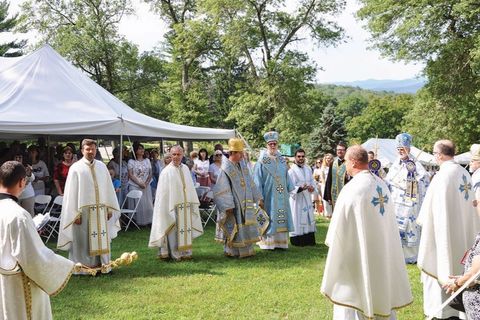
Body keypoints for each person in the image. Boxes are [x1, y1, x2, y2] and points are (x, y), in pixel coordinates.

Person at [321, 145, 412, 319]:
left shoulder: (352, 189)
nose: (345, 165)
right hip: (382, 252)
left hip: (356, 254)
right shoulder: (381, 184)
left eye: (346, 161)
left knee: (356, 297)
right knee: (380, 288)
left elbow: (337, 232)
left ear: (354, 162)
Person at [0, 161, 74, 319]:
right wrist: (66, 266)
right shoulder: (18, 216)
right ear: (22, 182)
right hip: (17, 285)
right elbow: (33, 257)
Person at [417, 139, 480, 319]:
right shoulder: (464, 173)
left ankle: (443, 311)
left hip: (443, 236)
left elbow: (425, 216)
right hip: (466, 234)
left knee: (441, 264)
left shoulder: (441, 177)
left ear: (438, 155)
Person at [57, 139, 120, 275]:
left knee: (102, 238)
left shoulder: (102, 167)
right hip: (83, 213)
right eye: (88, 149)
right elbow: (71, 194)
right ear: (82, 150)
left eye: (93, 149)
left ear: (96, 150)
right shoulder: (76, 168)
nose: (91, 152)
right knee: (83, 241)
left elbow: (108, 189)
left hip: (101, 211)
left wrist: (109, 209)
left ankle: (104, 265)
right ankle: (84, 269)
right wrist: (75, 214)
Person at [149, 145, 203, 261]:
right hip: (171, 206)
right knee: (173, 231)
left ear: (182, 155)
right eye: (174, 154)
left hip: (185, 205)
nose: (176, 157)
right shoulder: (166, 172)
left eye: (179, 154)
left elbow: (189, 186)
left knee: (185, 229)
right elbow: (163, 194)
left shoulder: (185, 169)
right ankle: (175, 254)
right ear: (170, 155)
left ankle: (186, 252)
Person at [213, 138, 262, 258]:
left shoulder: (242, 165)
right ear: (233, 153)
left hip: (246, 202)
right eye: (240, 153)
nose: (242, 155)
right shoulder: (225, 169)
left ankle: (247, 250)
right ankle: (232, 251)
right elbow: (222, 189)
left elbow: (250, 182)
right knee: (235, 226)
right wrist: (227, 205)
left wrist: (258, 198)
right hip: (234, 204)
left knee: (246, 225)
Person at [385, 133, 427, 264]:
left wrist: (408, 184)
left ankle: (411, 256)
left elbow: (423, 180)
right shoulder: (395, 164)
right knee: (396, 227)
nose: (400, 151)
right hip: (396, 202)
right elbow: (389, 179)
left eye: (402, 149)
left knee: (410, 227)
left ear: (409, 149)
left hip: (410, 203)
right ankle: (398, 254)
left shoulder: (416, 164)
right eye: (398, 149)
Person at [253, 130, 294, 250]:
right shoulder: (261, 161)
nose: (273, 145)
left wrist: (290, 188)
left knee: (281, 216)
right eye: (270, 143)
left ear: (277, 144)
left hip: (282, 194)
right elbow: (257, 179)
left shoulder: (282, 159)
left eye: (274, 143)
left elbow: (286, 175)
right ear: (267, 145)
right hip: (268, 195)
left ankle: (281, 243)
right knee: (269, 217)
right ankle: (268, 243)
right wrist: (259, 197)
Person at [288, 148, 317, 246]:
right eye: (299, 156)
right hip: (298, 199)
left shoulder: (308, 168)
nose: (301, 158)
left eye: (302, 156)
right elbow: (290, 186)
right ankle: (298, 240)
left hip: (307, 197)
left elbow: (312, 181)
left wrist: (312, 187)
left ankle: (309, 239)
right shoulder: (291, 171)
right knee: (297, 217)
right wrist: (299, 188)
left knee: (308, 217)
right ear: (295, 158)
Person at [127, 143, 154, 226]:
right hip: (135, 185)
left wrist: (145, 183)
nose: (142, 150)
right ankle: (135, 221)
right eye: (139, 149)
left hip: (146, 185)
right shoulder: (131, 161)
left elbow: (150, 173)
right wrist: (139, 183)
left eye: (143, 148)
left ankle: (148, 221)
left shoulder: (147, 160)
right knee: (137, 203)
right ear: (135, 151)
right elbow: (130, 174)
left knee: (147, 203)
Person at [323, 142, 352, 209]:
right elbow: (329, 180)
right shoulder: (332, 163)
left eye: (342, 150)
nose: (339, 151)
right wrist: (328, 196)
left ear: (345, 151)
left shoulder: (350, 163)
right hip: (334, 195)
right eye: (338, 149)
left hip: (347, 194)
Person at [14, 153, 36, 217]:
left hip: (27, 196)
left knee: (29, 216)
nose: (18, 159)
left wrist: (29, 174)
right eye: (16, 157)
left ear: (23, 159)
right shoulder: (9, 168)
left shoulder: (26, 167)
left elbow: (32, 179)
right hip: (15, 196)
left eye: (20, 157)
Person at [320, 153, 334, 218]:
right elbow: (322, 177)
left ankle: (332, 213)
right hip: (325, 185)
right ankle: (327, 214)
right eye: (327, 158)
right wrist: (325, 185)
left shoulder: (333, 166)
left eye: (330, 158)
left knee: (332, 199)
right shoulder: (323, 167)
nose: (329, 159)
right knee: (326, 200)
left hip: (332, 185)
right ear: (325, 159)